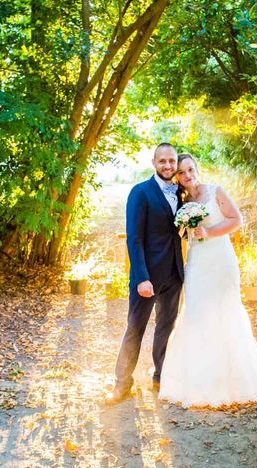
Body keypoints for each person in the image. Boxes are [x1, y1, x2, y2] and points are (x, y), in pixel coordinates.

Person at [159, 153, 257, 408]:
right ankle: (198, 380)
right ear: (176, 177)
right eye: (181, 173)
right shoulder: (181, 203)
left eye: (190, 169)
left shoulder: (215, 192)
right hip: (198, 262)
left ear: (196, 168)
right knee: (197, 312)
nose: (187, 175)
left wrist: (209, 231)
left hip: (221, 260)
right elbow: (181, 235)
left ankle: (233, 381)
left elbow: (236, 220)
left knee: (226, 311)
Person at [107, 143, 184, 404]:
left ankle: (160, 376)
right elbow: (134, 239)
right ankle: (122, 383)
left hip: (174, 274)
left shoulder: (181, 193)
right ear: (153, 162)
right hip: (147, 277)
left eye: (172, 161)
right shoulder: (140, 192)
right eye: (162, 161)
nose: (168, 166)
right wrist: (141, 277)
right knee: (135, 329)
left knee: (165, 328)